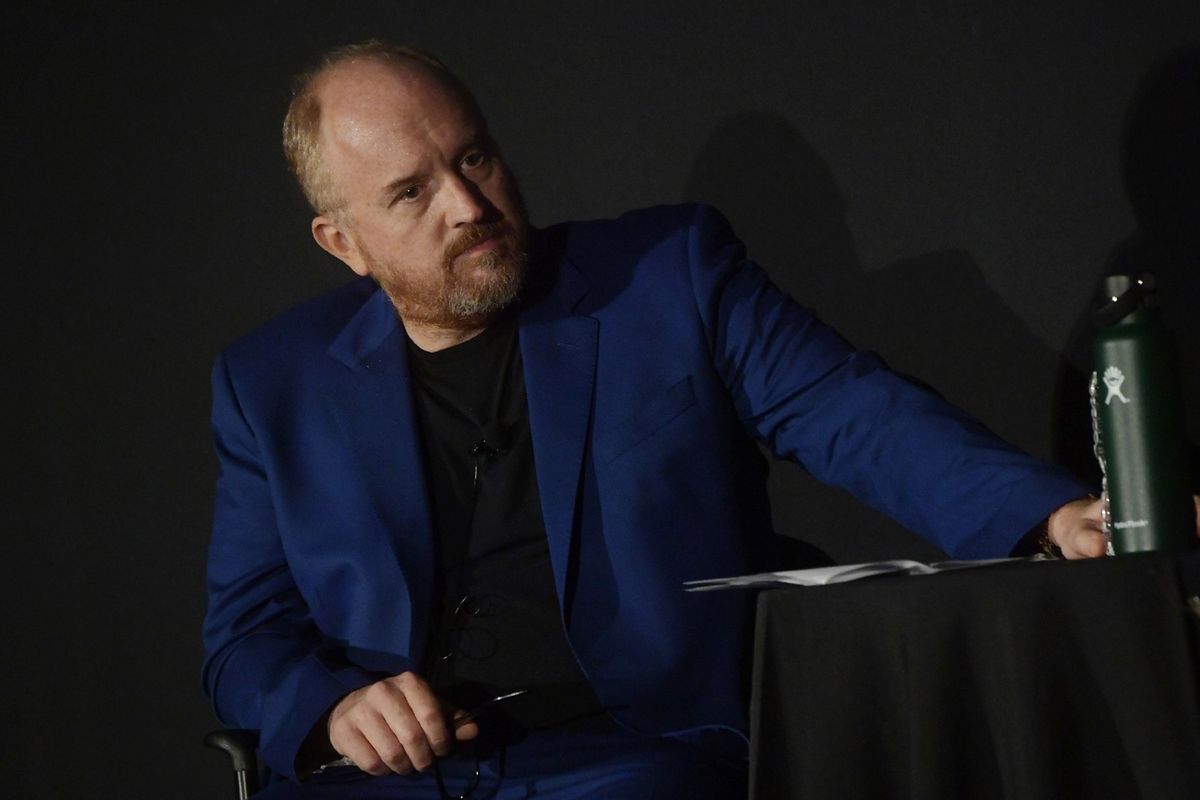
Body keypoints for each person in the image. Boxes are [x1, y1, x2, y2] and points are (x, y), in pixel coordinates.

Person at [202, 41, 1118, 799]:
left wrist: (1046, 516)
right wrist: (332, 709)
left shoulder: (668, 277)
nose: (469, 206)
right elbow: (245, 636)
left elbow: (848, 412)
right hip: (387, 781)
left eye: (473, 156)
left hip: (634, 754)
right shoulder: (270, 382)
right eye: (411, 192)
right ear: (343, 242)